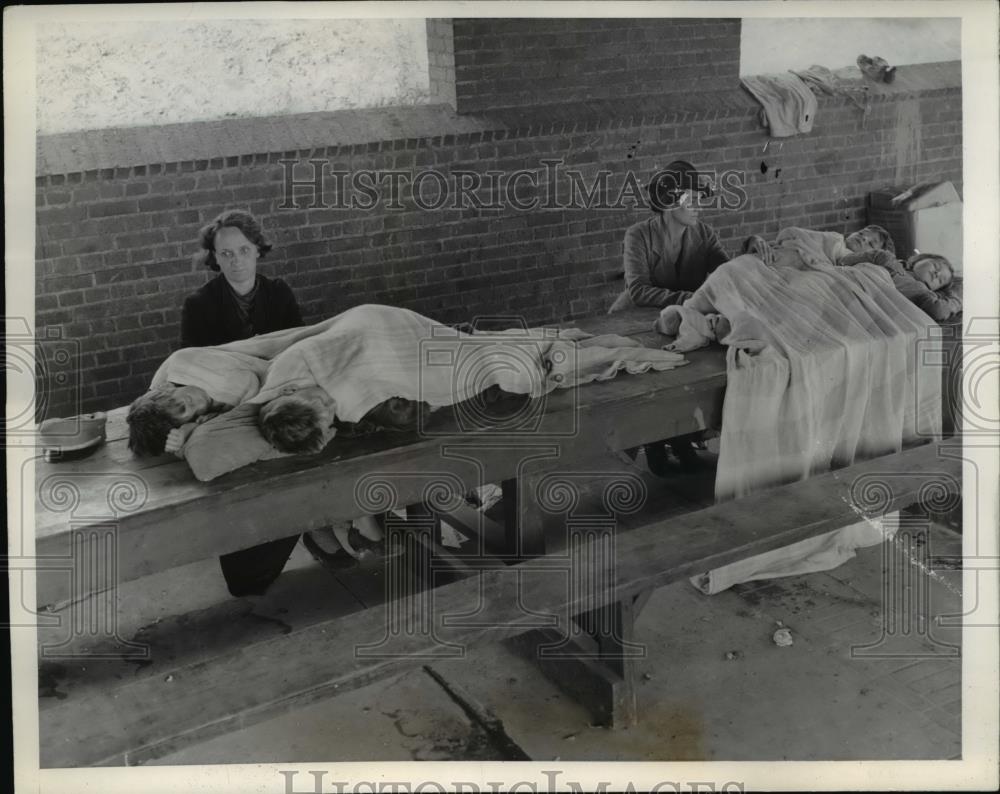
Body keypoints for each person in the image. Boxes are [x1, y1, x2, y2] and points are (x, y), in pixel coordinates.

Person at [178, 209, 306, 597]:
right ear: (213, 257)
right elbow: (194, 370)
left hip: (276, 394)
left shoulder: (279, 292)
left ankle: (313, 531)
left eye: (244, 250)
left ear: (258, 252)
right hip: (226, 406)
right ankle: (247, 568)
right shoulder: (199, 304)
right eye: (226, 253)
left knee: (297, 459)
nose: (236, 261)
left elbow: (297, 351)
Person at [610, 161, 732, 473]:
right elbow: (637, 290)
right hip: (637, 319)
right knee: (652, 379)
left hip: (680, 321)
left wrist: (751, 250)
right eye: (691, 200)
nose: (698, 208)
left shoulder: (703, 233)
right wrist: (688, 301)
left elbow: (726, 272)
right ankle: (654, 445)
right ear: (668, 202)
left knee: (686, 372)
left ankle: (681, 439)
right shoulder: (638, 235)